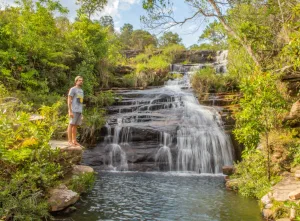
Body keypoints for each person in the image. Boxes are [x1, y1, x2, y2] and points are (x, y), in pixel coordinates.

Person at [67, 76, 84, 146]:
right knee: (71, 124)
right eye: (79, 80)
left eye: (82, 80)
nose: (81, 81)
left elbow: (81, 102)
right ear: (76, 81)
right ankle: (69, 141)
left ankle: (74, 140)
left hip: (79, 111)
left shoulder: (81, 91)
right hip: (73, 109)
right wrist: (70, 111)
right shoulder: (73, 89)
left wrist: (82, 113)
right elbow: (69, 100)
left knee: (76, 126)